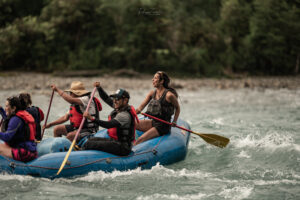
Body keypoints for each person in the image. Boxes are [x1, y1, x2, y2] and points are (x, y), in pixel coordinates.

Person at [82, 82, 139, 156]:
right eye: (114, 98)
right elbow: (106, 98)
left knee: (90, 144)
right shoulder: (118, 106)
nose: (114, 101)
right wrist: (99, 88)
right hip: (115, 141)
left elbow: (108, 124)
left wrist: (92, 118)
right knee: (90, 140)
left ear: (125, 101)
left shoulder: (125, 115)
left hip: (123, 147)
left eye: (117, 99)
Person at [134, 71, 180, 145]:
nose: (152, 80)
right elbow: (140, 108)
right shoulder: (152, 93)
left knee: (140, 140)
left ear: (161, 81)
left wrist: (174, 121)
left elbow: (177, 108)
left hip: (163, 126)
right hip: (153, 122)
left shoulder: (169, 95)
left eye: (155, 78)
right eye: (153, 78)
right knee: (131, 123)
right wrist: (131, 113)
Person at [0, 97, 37, 162]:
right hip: (26, 149)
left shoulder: (16, 119)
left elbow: (7, 137)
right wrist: (1, 110)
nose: (5, 108)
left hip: (25, 153)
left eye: (6, 106)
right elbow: (7, 120)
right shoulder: (17, 117)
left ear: (14, 108)